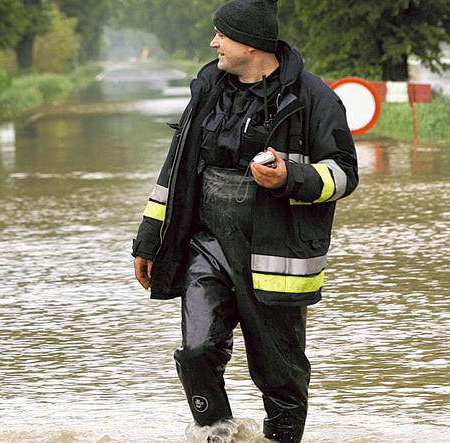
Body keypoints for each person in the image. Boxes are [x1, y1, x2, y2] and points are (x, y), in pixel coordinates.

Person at [130, 1, 357, 442]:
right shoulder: (208, 89)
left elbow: (345, 173)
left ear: (250, 44)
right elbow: (174, 170)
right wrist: (148, 240)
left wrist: (292, 176)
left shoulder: (314, 98)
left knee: (280, 373)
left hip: (276, 255)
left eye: (222, 34)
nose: (213, 42)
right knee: (196, 351)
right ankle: (218, 435)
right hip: (206, 244)